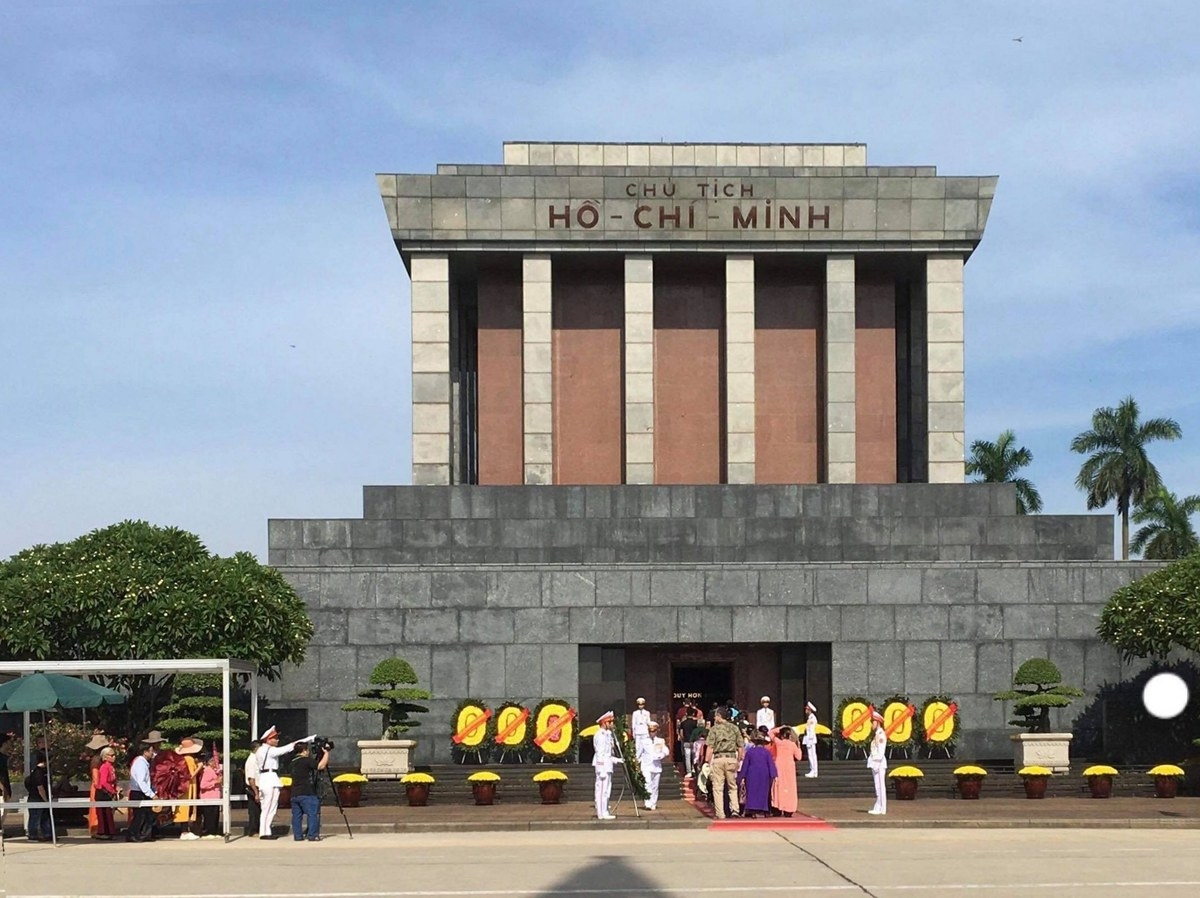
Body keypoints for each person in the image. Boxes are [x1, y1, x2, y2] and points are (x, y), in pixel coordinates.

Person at [255, 725, 314, 839]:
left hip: (266, 778)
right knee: (269, 807)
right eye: (275, 738)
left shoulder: (261, 750)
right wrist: (305, 740)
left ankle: (265, 831)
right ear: (268, 739)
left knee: (267, 807)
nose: (277, 740)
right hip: (269, 778)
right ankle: (265, 832)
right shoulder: (268, 750)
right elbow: (287, 748)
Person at [704, 708, 743, 820]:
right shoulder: (735, 728)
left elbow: (710, 747)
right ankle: (735, 810)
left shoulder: (714, 729)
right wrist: (739, 759)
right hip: (731, 758)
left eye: (716, 716)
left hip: (718, 758)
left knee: (717, 787)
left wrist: (707, 761)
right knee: (732, 786)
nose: (715, 718)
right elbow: (740, 746)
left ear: (720, 716)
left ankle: (720, 813)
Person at [289, 738, 330, 841]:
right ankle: (312, 835)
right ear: (304, 751)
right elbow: (320, 766)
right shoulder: (306, 761)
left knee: (297, 816)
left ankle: (298, 836)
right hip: (306, 792)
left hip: (294, 793)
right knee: (312, 814)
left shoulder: (292, 762)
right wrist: (326, 754)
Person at [126, 733, 162, 842]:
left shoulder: (144, 763)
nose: (153, 753)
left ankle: (143, 835)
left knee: (146, 815)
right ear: (145, 751)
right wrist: (151, 794)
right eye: (151, 751)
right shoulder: (140, 763)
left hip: (141, 792)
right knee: (139, 816)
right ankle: (133, 835)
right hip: (138, 792)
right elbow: (141, 781)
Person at [737, 732, 778, 818]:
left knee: (752, 791)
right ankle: (764, 809)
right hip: (764, 773)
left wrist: (741, 776)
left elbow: (745, 765)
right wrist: (774, 775)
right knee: (764, 791)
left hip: (752, 773)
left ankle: (752, 810)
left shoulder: (750, 752)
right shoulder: (767, 752)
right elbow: (771, 764)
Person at [768, 726, 803, 817]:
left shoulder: (779, 743)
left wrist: (781, 728)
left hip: (779, 766)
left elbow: (770, 733)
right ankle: (789, 809)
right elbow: (799, 757)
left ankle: (777, 807)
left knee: (778, 786)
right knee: (790, 787)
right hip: (790, 768)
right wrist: (798, 746)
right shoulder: (792, 744)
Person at [174, 737, 204, 839]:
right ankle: (185, 831)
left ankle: (185, 830)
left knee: (184, 808)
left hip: (183, 786)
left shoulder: (182, 759)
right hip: (189, 786)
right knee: (186, 808)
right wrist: (199, 767)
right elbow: (191, 775)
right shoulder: (189, 759)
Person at [591, 711, 617, 820]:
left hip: (608, 766)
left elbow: (608, 754)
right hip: (603, 767)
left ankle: (605, 810)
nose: (611, 724)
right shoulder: (600, 735)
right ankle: (601, 813)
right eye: (610, 722)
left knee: (607, 790)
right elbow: (600, 753)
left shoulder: (608, 735)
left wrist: (617, 760)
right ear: (604, 723)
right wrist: (601, 769)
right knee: (602, 790)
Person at [640, 721, 670, 811]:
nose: (651, 733)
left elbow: (666, 751)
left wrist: (661, 755)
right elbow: (639, 753)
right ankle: (647, 802)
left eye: (653, 731)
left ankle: (653, 802)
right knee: (647, 783)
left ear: (656, 731)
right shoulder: (643, 741)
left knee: (655, 786)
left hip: (656, 766)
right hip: (646, 765)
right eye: (650, 731)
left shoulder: (660, 741)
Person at [85, 733, 110, 838]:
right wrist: (100, 787)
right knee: (97, 810)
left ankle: (101, 829)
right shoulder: (96, 760)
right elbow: (96, 777)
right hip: (98, 787)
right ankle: (97, 830)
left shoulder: (98, 759)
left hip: (99, 786)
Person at [25, 751, 52, 841]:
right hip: (37, 798)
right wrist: (46, 800)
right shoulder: (38, 773)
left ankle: (47, 833)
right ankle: (33, 835)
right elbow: (40, 788)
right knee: (35, 817)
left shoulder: (36, 772)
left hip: (34, 797)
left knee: (43, 817)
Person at [94, 746, 120, 839]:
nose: (114, 757)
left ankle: (109, 831)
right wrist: (112, 791)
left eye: (114, 755)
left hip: (107, 792)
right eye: (111, 755)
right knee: (103, 814)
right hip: (102, 793)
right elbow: (104, 782)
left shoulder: (111, 767)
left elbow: (113, 780)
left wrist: (116, 788)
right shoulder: (104, 767)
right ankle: (103, 832)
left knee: (108, 813)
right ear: (105, 757)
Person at [198, 749, 223, 838]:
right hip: (208, 797)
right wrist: (215, 782)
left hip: (215, 797)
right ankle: (208, 832)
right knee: (209, 816)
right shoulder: (207, 770)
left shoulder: (215, 770)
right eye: (212, 761)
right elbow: (203, 785)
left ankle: (214, 831)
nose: (214, 762)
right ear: (208, 762)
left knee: (215, 815)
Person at [867, 709, 888, 816]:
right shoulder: (877, 734)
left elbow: (881, 751)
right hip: (875, 763)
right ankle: (878, 806)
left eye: (873, 722)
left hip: (879, 764)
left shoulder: (881, 734)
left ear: (878, 722)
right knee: (877, 786)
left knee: (880, 786)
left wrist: (876, 763)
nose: (872, 724)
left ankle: (882, 808)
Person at [243, 738, 261, 836]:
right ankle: (253, 830)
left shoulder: (257, 759)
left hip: (257, 787)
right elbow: (251, 778)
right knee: (254, 811)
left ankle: (257, 829)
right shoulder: (251, 760)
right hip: (253, 788)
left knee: (258, 811)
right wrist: (256, 792)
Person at [679, 710, 699, 778]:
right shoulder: (695, 723)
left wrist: (683, 739)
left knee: (687, 758)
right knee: (694, 757)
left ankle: (689, 772)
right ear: (693, 714)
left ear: (686, 714)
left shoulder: (683, 723)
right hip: (694, 742)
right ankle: (694, 769)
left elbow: (681, 733)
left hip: (686, 741)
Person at [803, 701, 820, 778]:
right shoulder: (810, 718)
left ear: (809, 710)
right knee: (811, 755)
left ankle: (814, 771)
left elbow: (811, 730)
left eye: (807, 709)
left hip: (811, 739)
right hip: (809, 739)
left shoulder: (812, 718)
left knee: (812, 755)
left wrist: (810, 739)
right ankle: (812, 770)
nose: (805, 710)